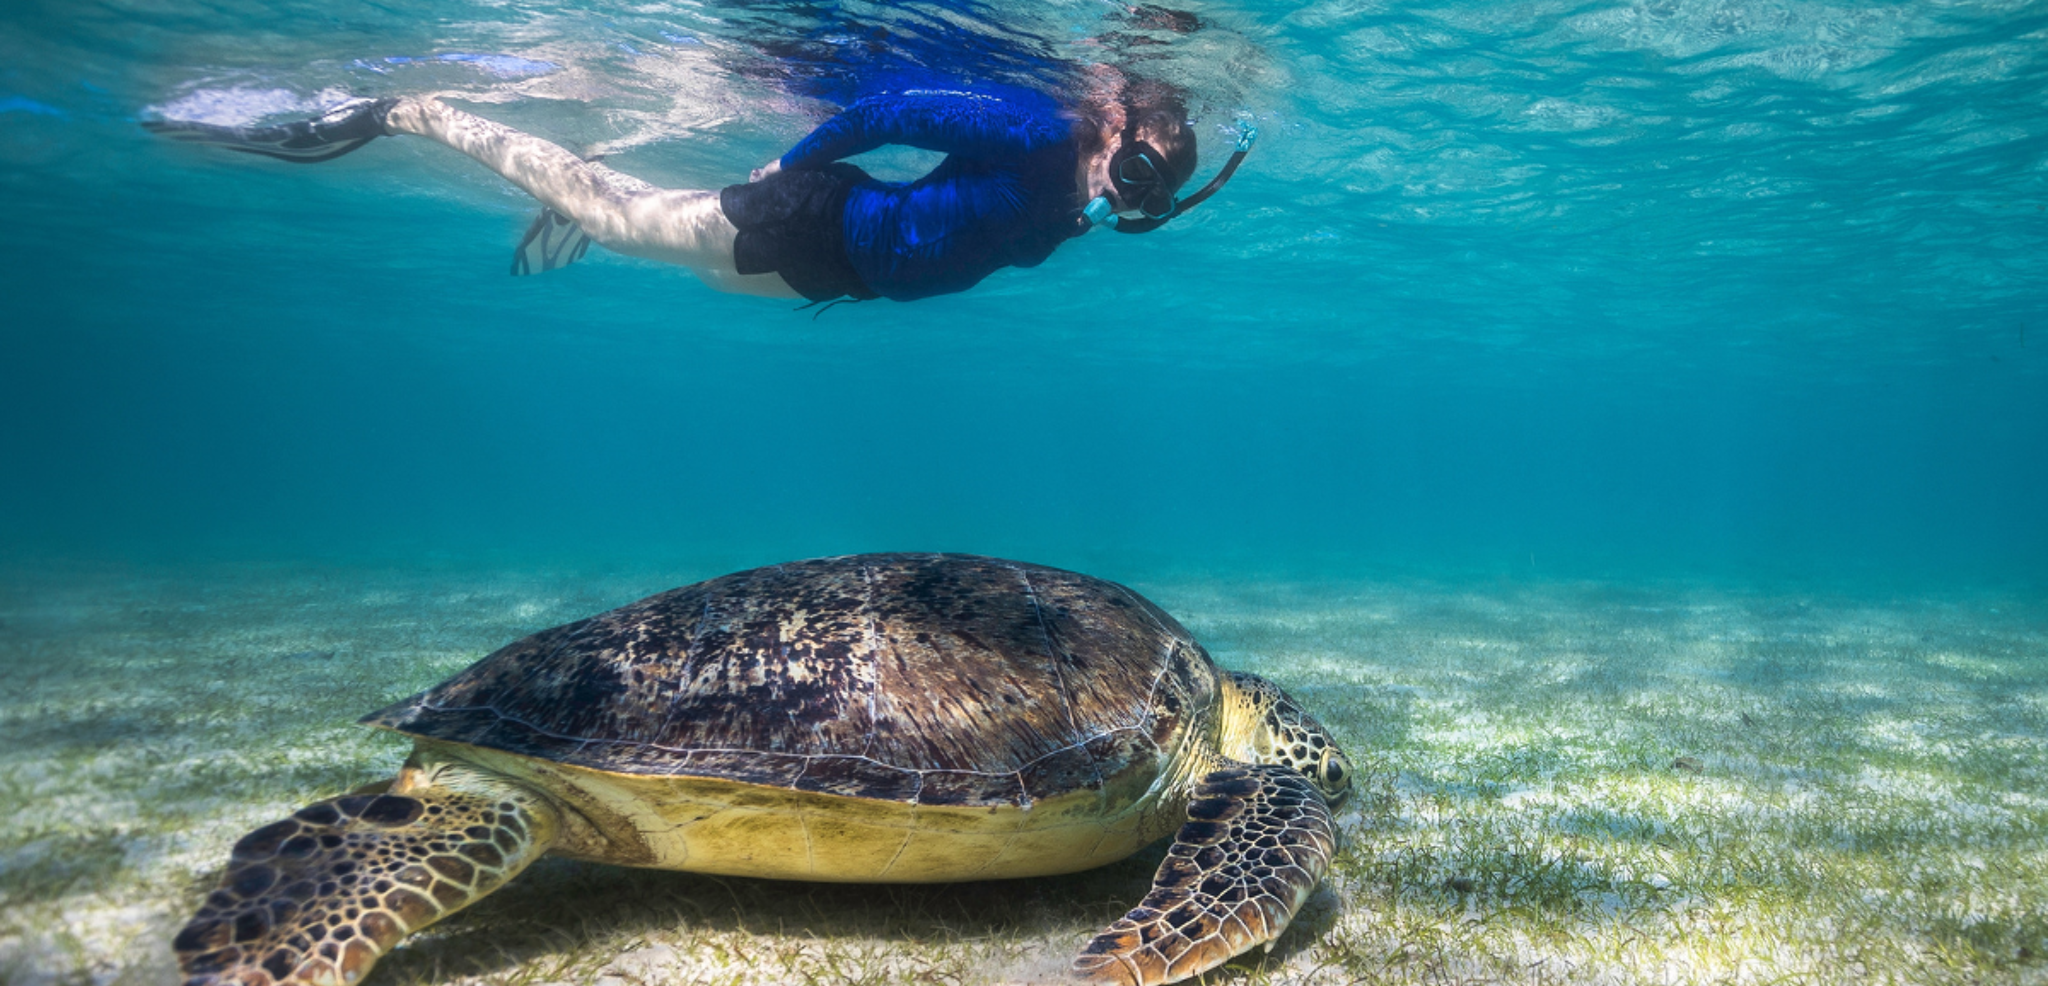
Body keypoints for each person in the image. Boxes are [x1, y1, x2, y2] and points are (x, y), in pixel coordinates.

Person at [144, 81, 1255, 305]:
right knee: (616, 218)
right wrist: (785, 163)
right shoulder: (1028, 132)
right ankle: (401, 109)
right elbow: (890, 105)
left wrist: (1117, 204)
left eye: (1151, 199)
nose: (1131, 201)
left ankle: (574, 211)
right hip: (809, 223)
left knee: (622, 227)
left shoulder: (1084, 196)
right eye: (1135, 172)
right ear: (1110, 125)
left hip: (829, 275)